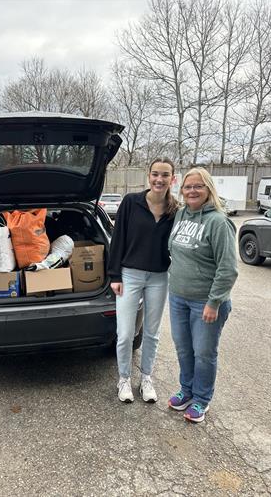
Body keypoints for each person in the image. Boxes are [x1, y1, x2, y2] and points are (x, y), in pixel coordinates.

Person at [168, 167, 238, 423]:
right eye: (188, 187)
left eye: (198, 186)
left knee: (204, 353)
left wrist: (214, 301)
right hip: (177, 297)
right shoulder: (181, 216)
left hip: (205, 303)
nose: (192, 191)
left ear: (208, 189)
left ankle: (201, 400)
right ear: (182, 190)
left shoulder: (219, 222)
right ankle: (186, 391)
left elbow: (228, 268)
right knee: (183, 349)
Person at [108, 158, 179, 403]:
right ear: (148, 176)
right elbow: (117, 238)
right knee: (126, 333)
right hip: (129, 275)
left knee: (152, 332)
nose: (159, 179)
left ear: (173, 179)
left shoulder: (175, 209)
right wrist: (114, 275)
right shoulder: (131, 202)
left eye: (165, 175)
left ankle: (146, 378)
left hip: (159, 277)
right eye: (155, 174)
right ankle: (124, 379)